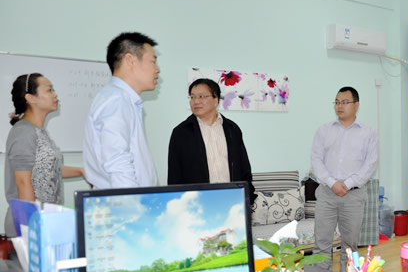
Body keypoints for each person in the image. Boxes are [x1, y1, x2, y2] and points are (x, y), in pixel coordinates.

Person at [4, 73, 84, 236]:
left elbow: (47, 170)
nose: (55, 95)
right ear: (30, 98)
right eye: (49, 90)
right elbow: (23, 183)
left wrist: (81, 171)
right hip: (30, 225)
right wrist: (31, 230)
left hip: (46, 221)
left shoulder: (38, 131)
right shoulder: (24, 133)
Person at [311, 86, 377, 272]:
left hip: (353, 196)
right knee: (321, 244)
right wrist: (332, 183)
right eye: (337, 102)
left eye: (345, 102)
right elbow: (316, 160)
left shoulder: (368, 132)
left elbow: (370, 164)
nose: (340, 106)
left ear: (356, 105)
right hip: (327, 193)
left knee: (350, 247)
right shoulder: (324, 130)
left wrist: (347, 184)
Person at [83, 32, 159, 189]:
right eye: (153, 62)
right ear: (130, 60)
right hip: (125, 201)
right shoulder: (117, 99)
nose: (157, 70)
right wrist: (132, 201)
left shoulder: (120, 98)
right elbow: (117, 160)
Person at [167, 78, 255, 202]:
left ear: (216, 100)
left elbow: (244, 168)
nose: (195, 101)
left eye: (202, 96)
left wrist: (248, 197)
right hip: (198, 203)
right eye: (192, 97)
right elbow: (174, 176)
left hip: (232, 200)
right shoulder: (181, 132)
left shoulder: (232, 129)